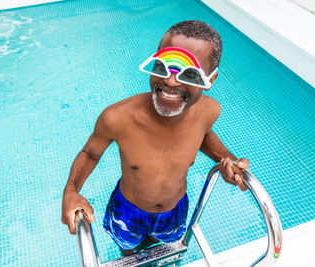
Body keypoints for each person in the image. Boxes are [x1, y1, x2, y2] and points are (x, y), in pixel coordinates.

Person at [61, 20, 249, 255]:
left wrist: (226, 160)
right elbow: (90, 153)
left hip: (175, 210)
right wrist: (71, 190)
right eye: (162, 67)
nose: (170, 82)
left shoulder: (209, 111)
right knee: (127, 253)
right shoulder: (118, 118)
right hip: (128, 211)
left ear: (210, 81)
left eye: (189, 74)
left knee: (165, 251)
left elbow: (203, 135)